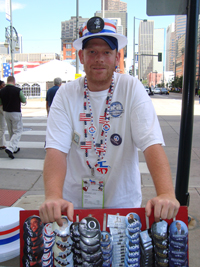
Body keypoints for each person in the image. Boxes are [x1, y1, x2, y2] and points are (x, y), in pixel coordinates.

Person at [39, 17, 180, 226]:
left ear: (117, 57)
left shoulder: (131, 88)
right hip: (72, 208)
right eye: (92, 52)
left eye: (107, 52)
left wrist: (167, 192)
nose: (99, 59)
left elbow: (151, 144)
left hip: (122, 206)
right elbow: (56, 150)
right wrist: (52, 196)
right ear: (81, 56)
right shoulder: (65, 94)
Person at [0, 76, 26, 159]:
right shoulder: (17, 90)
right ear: (14, 81)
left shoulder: (1, 91)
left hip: (6, 112)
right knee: (18, 130)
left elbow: (0, 102)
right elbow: (23, 100)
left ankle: (14, 147)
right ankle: (10, 148)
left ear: (7, 81)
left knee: (11, 130)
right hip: (15, 112)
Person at [0, 80, 6, 149]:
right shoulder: (1, 92)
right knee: (2, 128)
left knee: (1, 127)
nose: (4, 86)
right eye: (3, 85)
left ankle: (2, 144)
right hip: (1, 109)